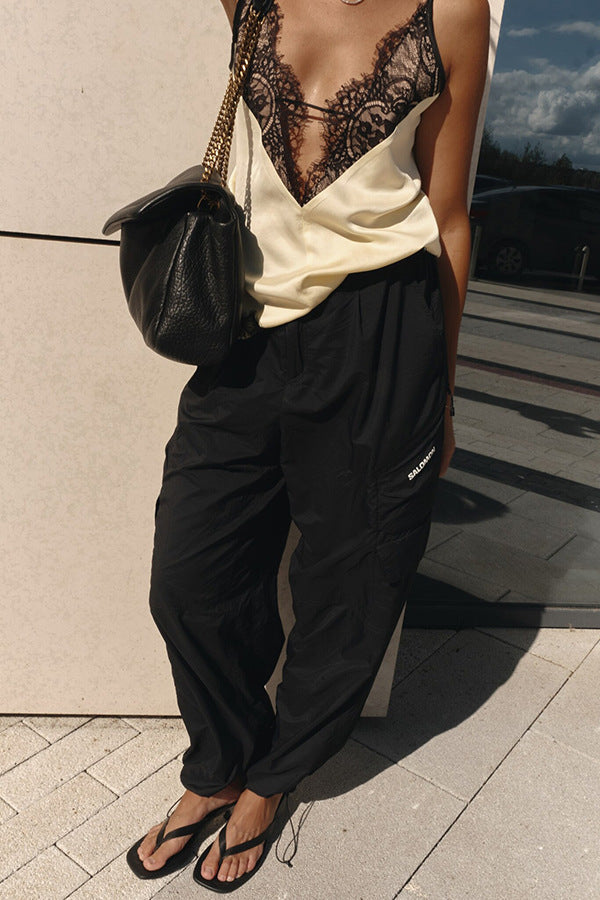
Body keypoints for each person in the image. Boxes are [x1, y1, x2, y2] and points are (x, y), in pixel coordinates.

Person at [127, 0, 490, 890]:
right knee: (190, 575)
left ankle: (272, 779)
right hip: (244, 328)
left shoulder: (452, 12)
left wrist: (441, 395)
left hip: (384, 329)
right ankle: (221, 762)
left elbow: (448, 215)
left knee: (352, 583)